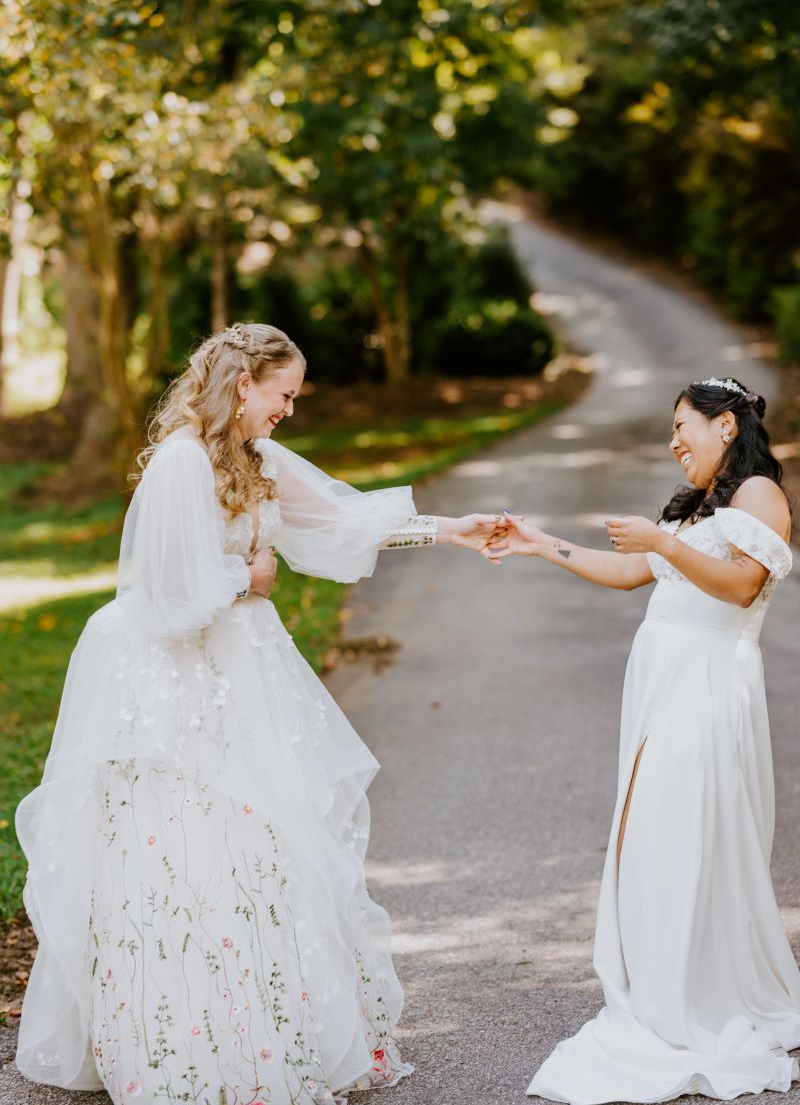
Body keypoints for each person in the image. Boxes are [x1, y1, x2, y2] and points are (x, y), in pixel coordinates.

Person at [15, 322, 499, 1105]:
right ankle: (185, 1040)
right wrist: (249, 578)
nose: (290, 411)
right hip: (174, 688)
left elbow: (340, 520)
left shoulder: (256, 458)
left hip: (242, 674)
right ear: (244, 385)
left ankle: (266, 1024)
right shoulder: (178, 463)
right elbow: (167, 597)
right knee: (185, 851)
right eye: (285, 395)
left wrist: (451, 532)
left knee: (267, 845)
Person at [488, 376, 800, 1103]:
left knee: (674, 834)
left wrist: (663, 539)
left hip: (707, 690)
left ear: (726, 426)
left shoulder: (759, 495)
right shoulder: (703, 508)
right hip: (666, 691)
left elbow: (742, 585)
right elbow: (630, 571)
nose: (672, 442)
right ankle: (669, 985)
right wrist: (540, 545)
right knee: (651, 838)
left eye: (682, 426)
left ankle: (684, 1002)